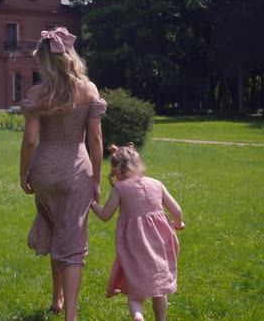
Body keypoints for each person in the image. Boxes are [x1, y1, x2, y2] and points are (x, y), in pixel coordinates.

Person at [19, 27, 107, 321]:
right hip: (76, 170)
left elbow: (30, 140)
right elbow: (95, 140)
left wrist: (24, 174)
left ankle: (57, 298)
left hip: (44, 170)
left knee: (56, 229)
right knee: (72, 242)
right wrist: (96, 180)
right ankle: (70, 315)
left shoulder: (36, 93)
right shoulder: (89, 90)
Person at [90, 143, 185, 321]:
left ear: (117, 169)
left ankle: (138, 315)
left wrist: (92, 203)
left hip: (134, 244)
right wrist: (177, 224)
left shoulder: (120, 189)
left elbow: (105, 215)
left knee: (135, 290)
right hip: (159, 243)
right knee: (159, 287)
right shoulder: (156, 183)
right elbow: (177, 211)